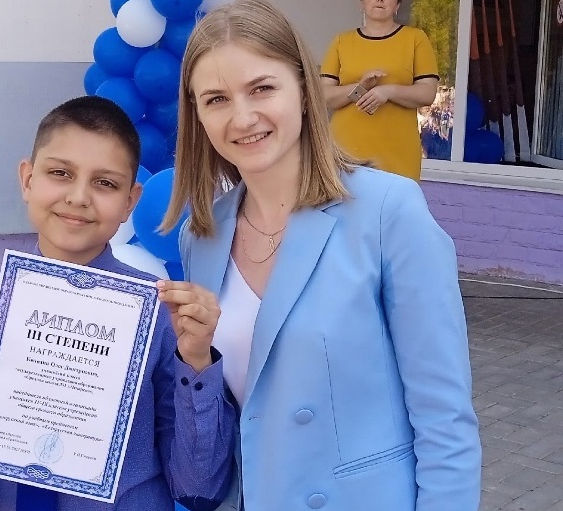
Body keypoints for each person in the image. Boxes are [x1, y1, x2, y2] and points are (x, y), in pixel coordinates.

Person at [157, 0, 481, 509]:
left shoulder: (387, 212)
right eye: (216, 99)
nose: (243, 117)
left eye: (262, 88)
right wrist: (193, 362)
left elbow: (445, 421)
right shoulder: (202, 236)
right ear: (196, 115)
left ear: (305, 91)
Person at [0, 95, 236, 511]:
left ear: (130, 201)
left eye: (105, 183)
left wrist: (197, 361)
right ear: (28, 180)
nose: (79, 197)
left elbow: (199, 487)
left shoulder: (158, 318)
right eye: (60, 173)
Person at [319, 0, 440, 181]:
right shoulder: (341, 41)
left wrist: (388, 92)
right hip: (346, 151)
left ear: (397, 6)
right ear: (361, 4)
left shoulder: (415, 38)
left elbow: (427, 93)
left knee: (396, 198)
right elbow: (324, 96)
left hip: (398, 149)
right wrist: (360, 87)